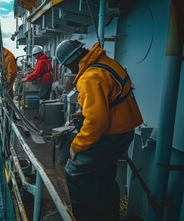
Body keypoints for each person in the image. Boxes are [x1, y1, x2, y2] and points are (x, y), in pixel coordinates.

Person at [55, 39, 143, 221]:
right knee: (104, 175)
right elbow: (110, 98)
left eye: (67, 66)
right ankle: (108, 216)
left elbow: (97, 122)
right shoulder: (106, 62)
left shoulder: (89, 77)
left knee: (74, 172)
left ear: (72, 61)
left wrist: (77, 145)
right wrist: (85, 113)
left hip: (112, 134)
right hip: (125, 128)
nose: (70, 71)